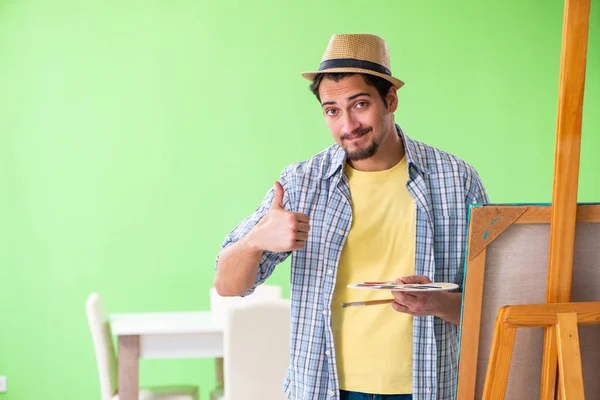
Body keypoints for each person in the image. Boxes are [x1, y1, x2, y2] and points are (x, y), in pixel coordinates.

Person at [214, 33, 488, 400]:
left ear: (390, 99)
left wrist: (435, 302)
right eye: (332, 110)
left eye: (360, 104)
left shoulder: (456, 180)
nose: (348, 125)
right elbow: (228, 285)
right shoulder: (301, 184)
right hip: (325, 389)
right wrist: (256, 240)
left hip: (430, 388)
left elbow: (492, 306)